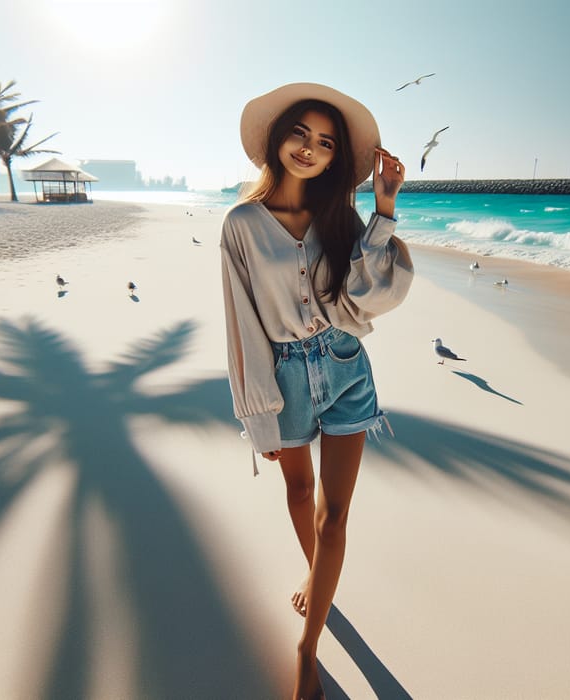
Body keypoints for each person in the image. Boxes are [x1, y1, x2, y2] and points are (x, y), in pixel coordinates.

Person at [220, 83, 414, 700]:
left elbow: (369, 293)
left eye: (325, 142)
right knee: (299, 491)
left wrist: (383, 211)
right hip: (282, 374)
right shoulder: (241, 225)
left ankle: (309, 646)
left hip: (346, 363)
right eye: (300, 134)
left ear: (336, 159)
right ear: (277, 140)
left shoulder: (341, 217)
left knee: (335, 518)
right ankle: (318, 578)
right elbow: (241, 324)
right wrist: (260, 417)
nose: (310, 149)